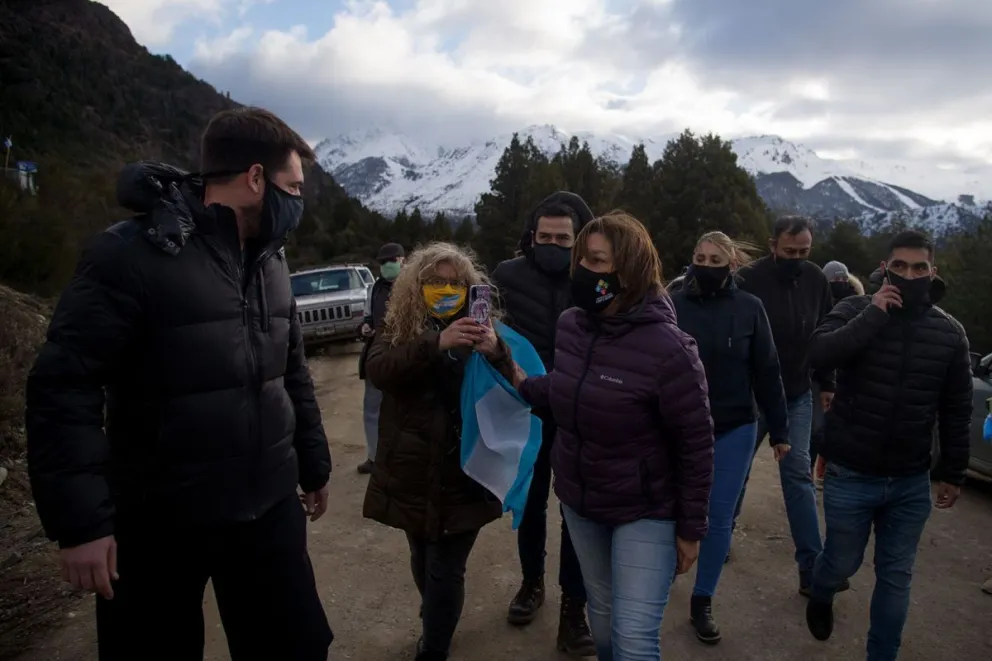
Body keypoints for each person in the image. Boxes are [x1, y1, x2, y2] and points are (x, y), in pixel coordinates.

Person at [25, 107, 333, 661]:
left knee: (297, 647)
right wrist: (81, 524)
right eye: (293, 188)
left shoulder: (272, 260)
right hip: (158, 522)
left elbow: (290, 372)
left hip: (267, 508)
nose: (298, 203)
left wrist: (313, 465)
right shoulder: (129, 255)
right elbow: (64, 387)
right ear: (255, 178)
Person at [514, 212, 715, 661]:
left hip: (646, 509)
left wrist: (691, 528)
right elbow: (566, 387)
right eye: (583, 259)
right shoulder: (572, 325)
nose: (585, 270)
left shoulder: (670, 349)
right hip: (582, 503)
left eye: (598, 261)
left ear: (629, 272)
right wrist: (511, 371)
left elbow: (696, 445)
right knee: (602, 620)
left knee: (633, 639)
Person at [804, 230, 972, 661]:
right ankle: (821, 591)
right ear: (884, 268)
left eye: (919, 268)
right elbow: (819, 354)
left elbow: (956, 409)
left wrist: (953, 471)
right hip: (850, 470)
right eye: (900, 266)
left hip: (909, 480)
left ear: (932, 271)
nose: (909, 275)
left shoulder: (949, 333)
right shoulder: (855, 308)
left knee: (896, 577)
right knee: (841, 563)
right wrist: (873, 314)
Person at [362, 242, 515, 661]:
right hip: (412, 471)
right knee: (421, 555)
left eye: (455, 283)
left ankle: (434, 647)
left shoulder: (483, 328)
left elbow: (515, 387)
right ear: (417, 285)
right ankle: (435, 613)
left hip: (466, 472)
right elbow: (378, 370)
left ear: (469, 288)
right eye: (435, 281)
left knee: (446, 569)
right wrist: (436, 343)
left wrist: (497, 352)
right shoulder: (398, 326)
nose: (445, 290)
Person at [670, 231, 790, 644]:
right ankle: (662, 575)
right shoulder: (673, 304)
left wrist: (780, 430)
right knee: (669, 507)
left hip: (735, 426)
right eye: (699, 258)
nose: (705, 266)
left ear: (732, 266)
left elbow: (768, 370)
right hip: (678, 426)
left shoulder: (750, 308)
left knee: (718, 517)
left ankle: (702, 600)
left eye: (715, 260)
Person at [490, 191, 595, 656]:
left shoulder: (593, 278)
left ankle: (574, 607)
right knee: (531, 505)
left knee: (576, 511)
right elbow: (489, 328)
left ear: (578, 240)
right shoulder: (506, 275)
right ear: (531, 237)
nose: (553, 245)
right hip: (527, 409)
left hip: (579, 412)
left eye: (563, 239)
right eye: (545, 237)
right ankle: (532, 582)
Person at [732, 215, 842, 596]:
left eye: (804, 251)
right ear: (773, 246)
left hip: (796, 393)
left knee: (798, 476)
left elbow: (825, 334)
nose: (797, 258)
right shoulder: (748, 279)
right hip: (751, 395)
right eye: (789, 251)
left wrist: (827, 382)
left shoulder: (816, 280)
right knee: (736, 469)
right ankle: (719, 537)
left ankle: (812, 567)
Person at [357, 242, 405, 474]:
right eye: (383, 262)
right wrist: (365, 328)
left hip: (406, 355)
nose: (387, 265)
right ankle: (374, 457)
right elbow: (367, 318)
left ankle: (404, 456)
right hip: (377, 356)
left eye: (392, 261)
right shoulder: (374, 288)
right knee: (372, 409)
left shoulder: (415, 286)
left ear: (403, 260)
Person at [811, 261, 862, 477]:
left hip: (845, 377)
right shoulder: (817, 304)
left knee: (831, 429)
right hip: (818, 376)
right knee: (817, 429)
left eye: (843, 279)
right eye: (835, 280)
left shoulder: (854, 307)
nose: (839, 283)